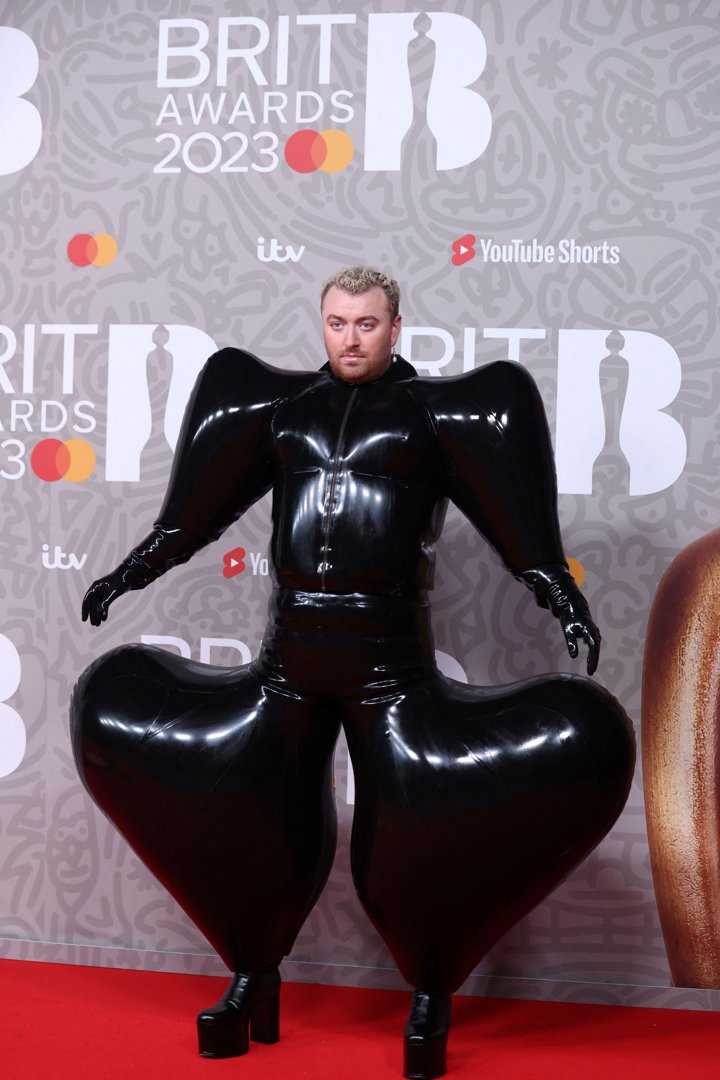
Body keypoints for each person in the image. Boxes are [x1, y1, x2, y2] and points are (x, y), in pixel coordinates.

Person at [72, 266, 634, 1080]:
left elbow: (522, 532)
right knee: (246, 807)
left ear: (396, 327)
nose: (351, 338)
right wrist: (128, 573)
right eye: (337, 323)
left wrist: (564, 599)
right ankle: (249, 975)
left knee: (414, 826)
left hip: (388, 667)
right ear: (322, 324)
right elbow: (192, 514)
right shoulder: (283, 412)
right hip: (287, 660)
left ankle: (432, 988)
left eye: (367, 324)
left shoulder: (433, 418)